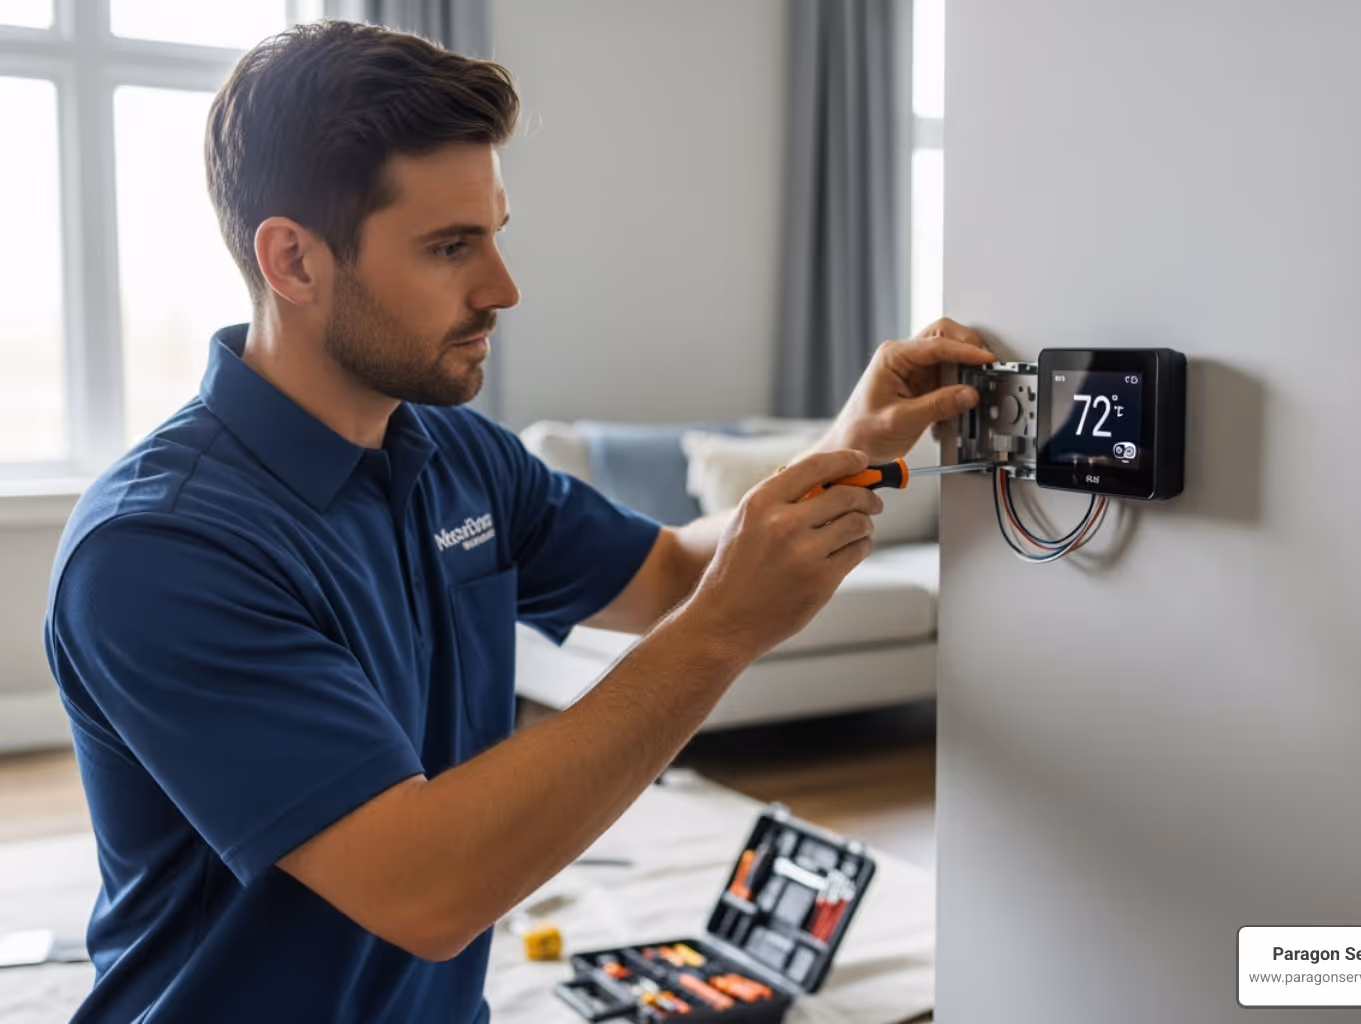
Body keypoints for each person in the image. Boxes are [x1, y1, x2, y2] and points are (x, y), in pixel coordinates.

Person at [42, 20, 993, 1024]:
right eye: (451, 247)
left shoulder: (460, 455)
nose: (503, 288)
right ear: (294, 261)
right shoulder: (158, 551)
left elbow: (670, 572)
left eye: (496, 233)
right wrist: (721, 635)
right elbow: (428, 889)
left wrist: (855, 437)